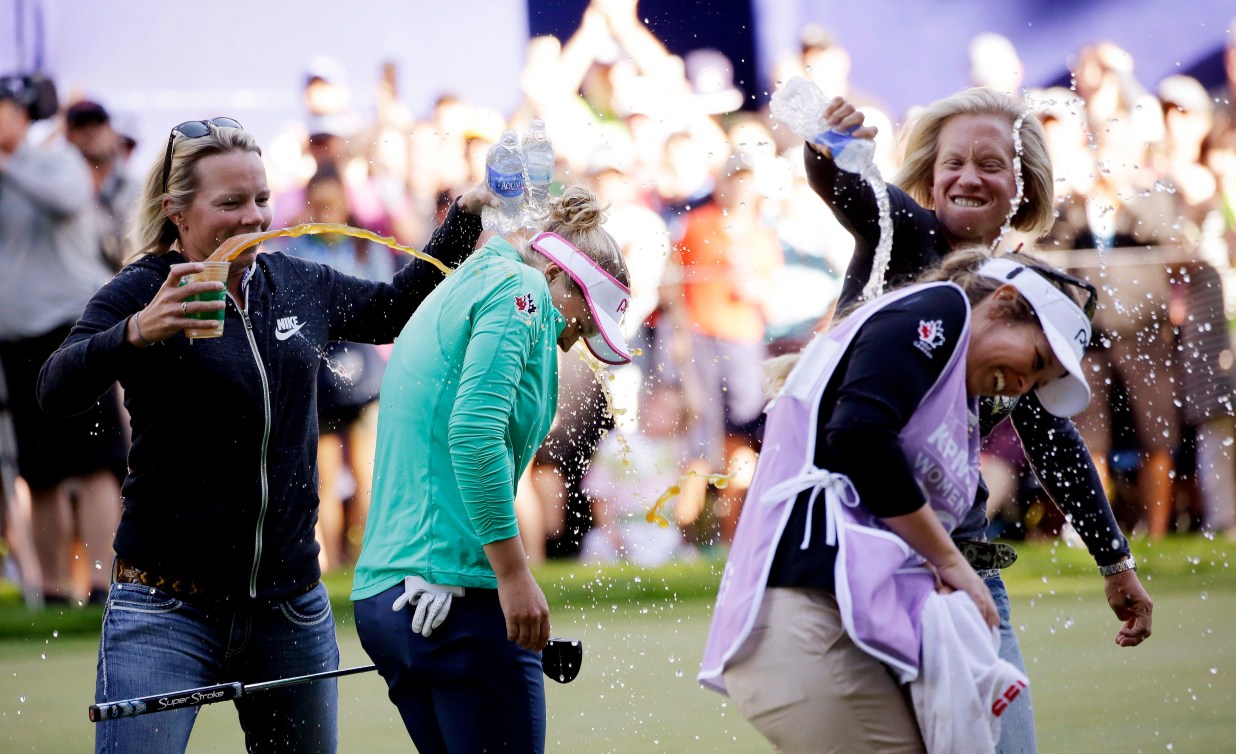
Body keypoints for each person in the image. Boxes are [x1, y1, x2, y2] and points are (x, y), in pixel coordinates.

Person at [37, 116, 493, 753]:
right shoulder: (142, 290)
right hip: (164, 608)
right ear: (177, 211)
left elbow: (395, 307)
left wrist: (464, 219)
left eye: (259, 199)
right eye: (230, 203)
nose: (253, 218)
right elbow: (54, 390)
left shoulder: (296, 282)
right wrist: (138, 330)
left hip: (291, 605)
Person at [802, 86, 1153, 752]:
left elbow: (1052, 436)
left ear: (1023, 189)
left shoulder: (1025, 293)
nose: (969, 177)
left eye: (991, 164)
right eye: (953, 162)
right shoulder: (902, 232)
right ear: (929, 179)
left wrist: (1115, 562)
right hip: (860, 560)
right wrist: (824, 146)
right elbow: (844, 188)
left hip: (967, 573)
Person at [700, 249, 1093, 752]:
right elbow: (860, 437)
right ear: (1003, 302)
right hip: (801, 619)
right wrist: (952, 564)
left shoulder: (955, 384)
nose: (1022, 385)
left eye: (1036, 383)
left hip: (826, 624)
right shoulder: (942, 311)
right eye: (1034, 361)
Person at [351, 185, 631, 753]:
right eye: (584, 316)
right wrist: (514, 575)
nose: (577, 337)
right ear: (561, 275)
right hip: (453, 597)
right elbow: (475, 434)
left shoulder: (476, 276)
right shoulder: (523, 290)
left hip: (389, 597)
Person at [1, 73, 125, 606]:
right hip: (18, 337)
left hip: (74, 330)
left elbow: (66, 198)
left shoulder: (55, 160)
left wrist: (6, 165)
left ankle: (103, 585)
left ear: (20, 115)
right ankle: (54, 590)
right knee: (42, 469)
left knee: (95, 460)